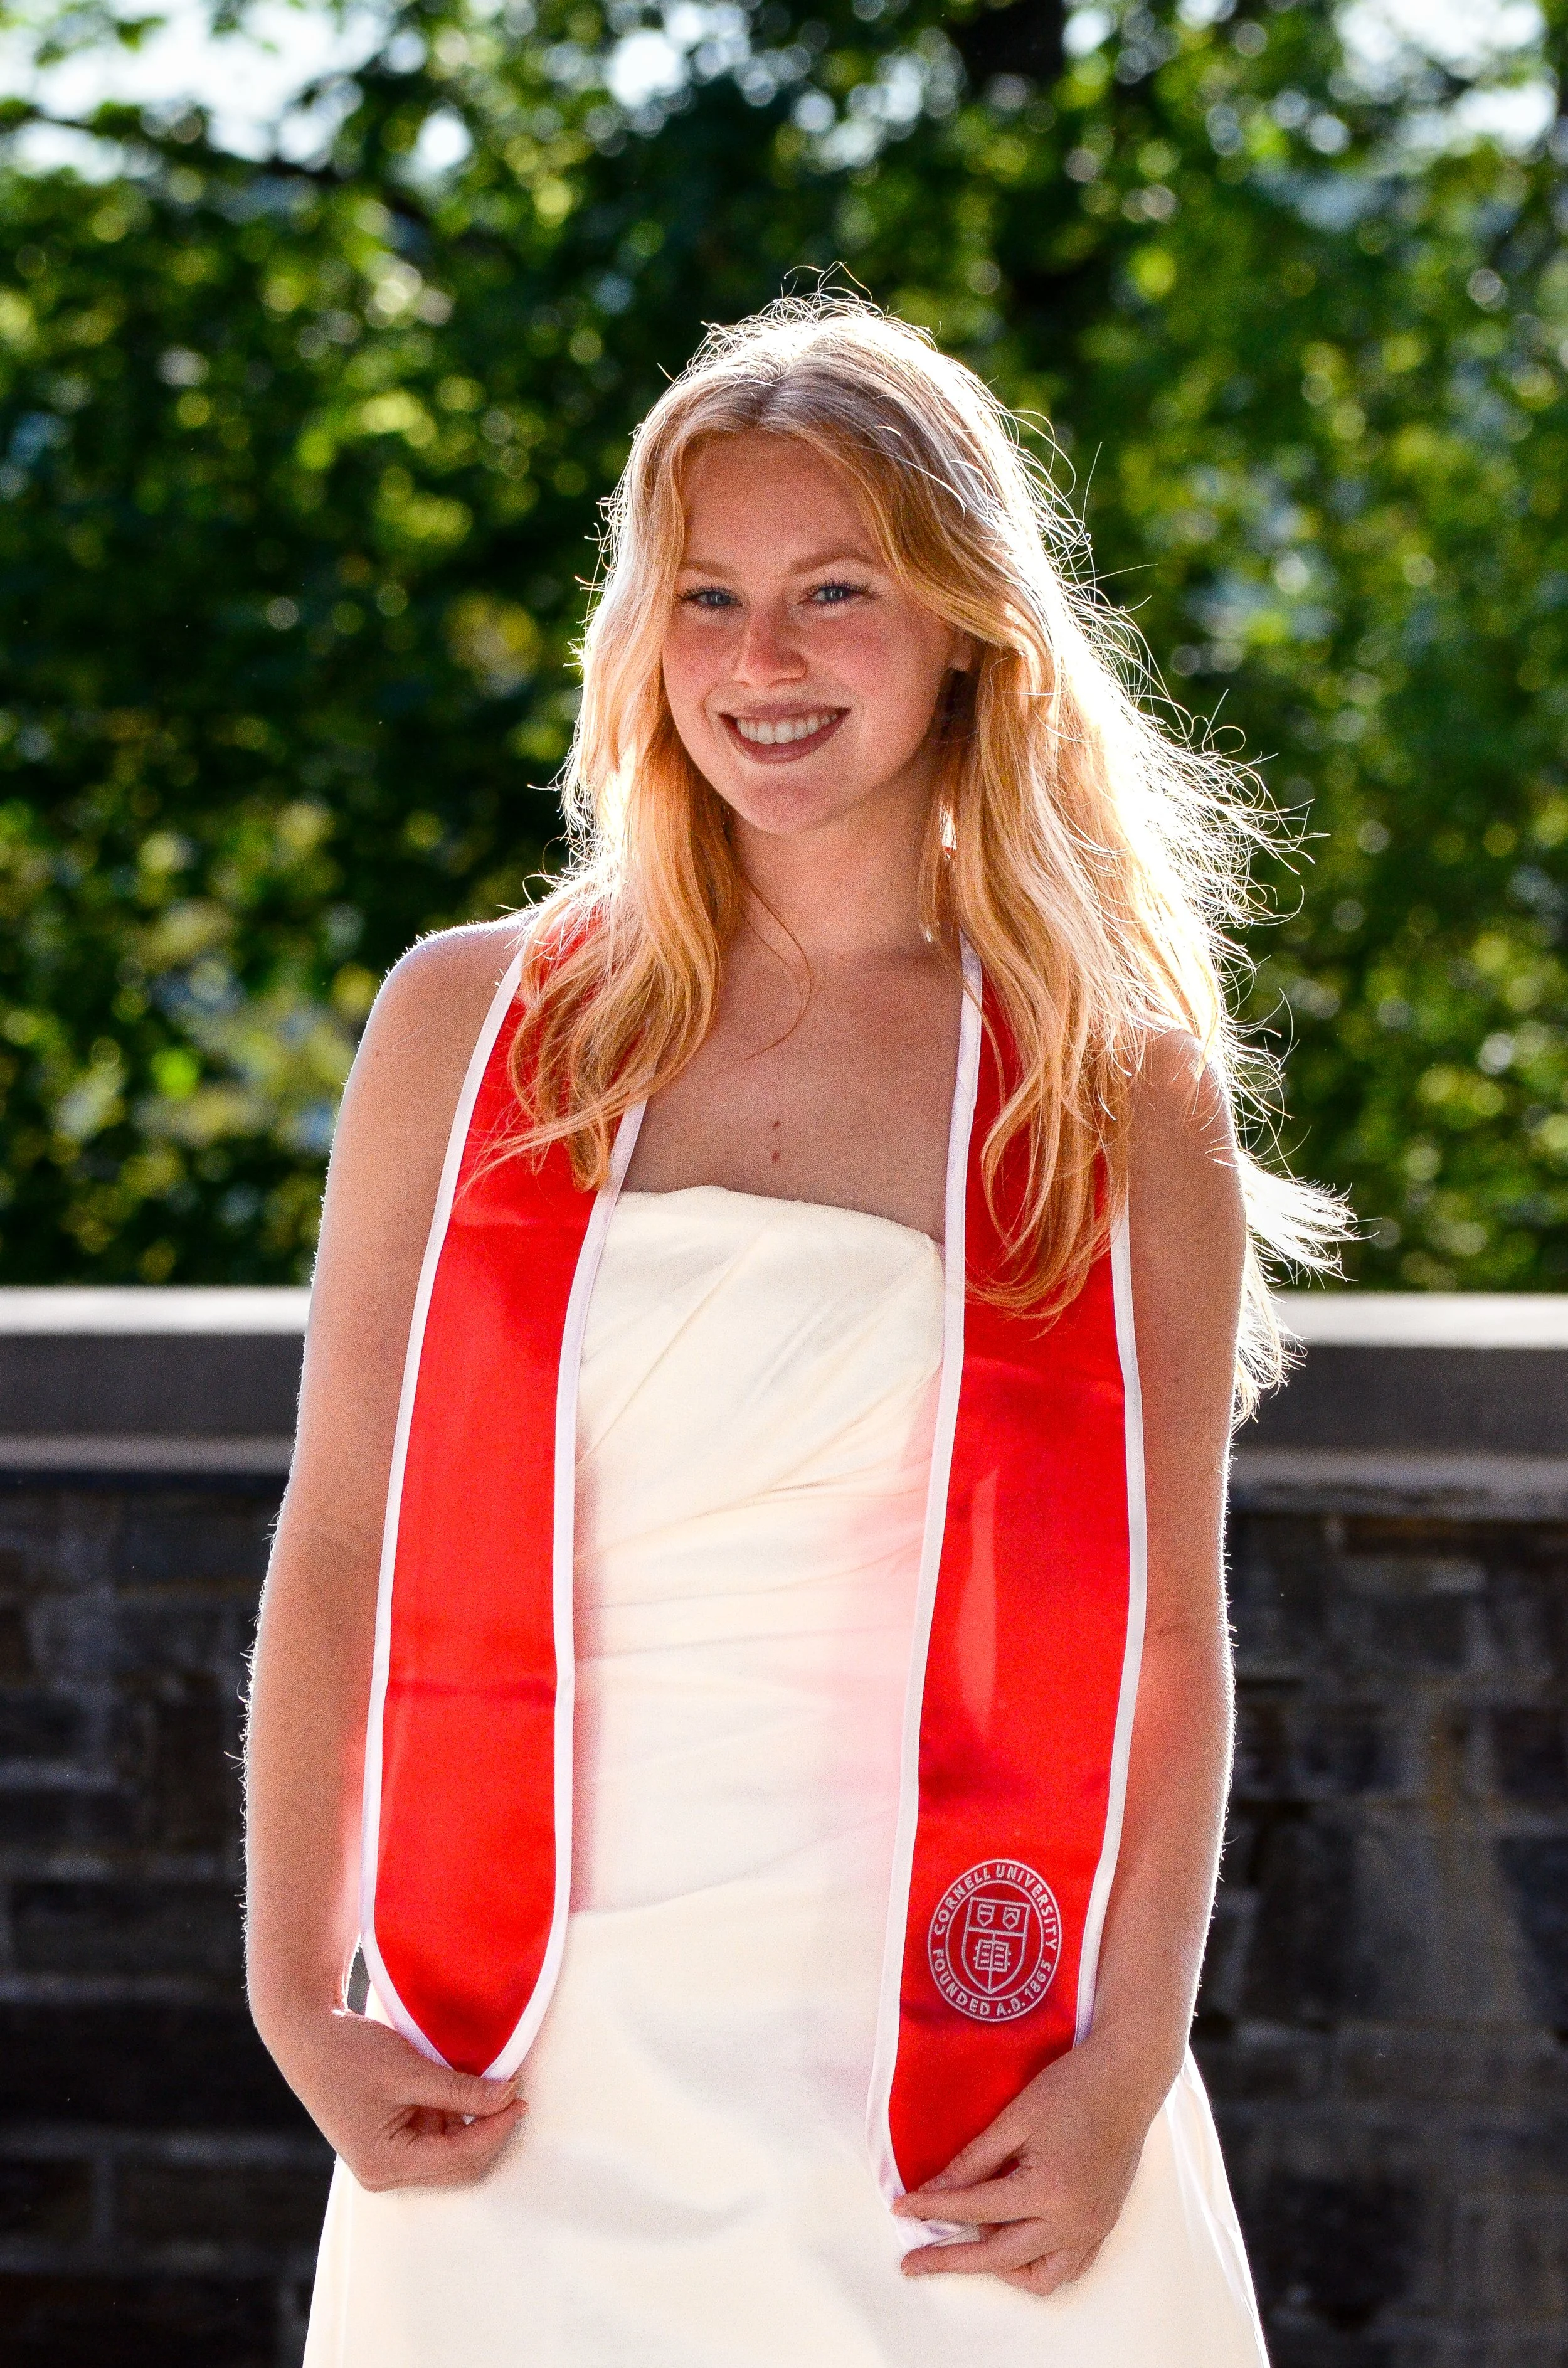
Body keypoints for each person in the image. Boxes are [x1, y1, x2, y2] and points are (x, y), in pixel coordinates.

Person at [245, 294, 1339, 2367]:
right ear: (640, 642)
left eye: (834, 593)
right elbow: (338, 1547)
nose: (762, 661)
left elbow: (1167, 1642)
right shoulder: (469, 1030)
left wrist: (1116, 2076)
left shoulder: (1106, 1088)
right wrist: (296, 1995)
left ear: (963, 633)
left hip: (946, 2056)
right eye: (708, 597)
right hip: (521, 2051)